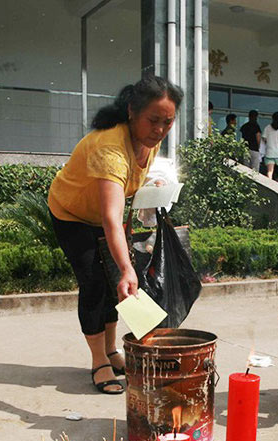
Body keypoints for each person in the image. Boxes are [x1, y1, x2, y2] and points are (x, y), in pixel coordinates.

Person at [48, 76, 183, 394]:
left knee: (114, 287)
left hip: (104, 216)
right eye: (153, 121)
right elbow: (110, 216)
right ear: (132, 111)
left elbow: (124, 194)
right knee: (95, 281)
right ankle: (98, 361)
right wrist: (126, 268)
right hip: (72, 214)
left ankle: (111, 351)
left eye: (168, 122)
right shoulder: (109, 147)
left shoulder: (149, 138)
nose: (160, 129)